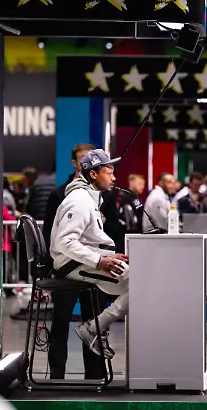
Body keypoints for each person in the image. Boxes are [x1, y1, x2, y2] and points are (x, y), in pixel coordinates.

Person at [50, 149, 129, 359]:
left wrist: (105, 255)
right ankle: (94, 329)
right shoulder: (79, 201)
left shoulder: (90, 198)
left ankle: (96, 328)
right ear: (93, 175)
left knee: (140, 284)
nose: (114, 177)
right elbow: (65, 242)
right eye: (109, 172)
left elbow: (85, 240)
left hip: (84, 261)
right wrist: (100, 260)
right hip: (72, 265)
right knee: (140, 285)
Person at [42, 142, 108, 379]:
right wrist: (45, 271)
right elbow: (50, 234)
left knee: (95, 322)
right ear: (75, 163)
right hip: (66, 269)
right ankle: (56, 375)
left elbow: (113, 229)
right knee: (60, 322)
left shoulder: (103, 192)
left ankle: (95, 374)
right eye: (82, 159)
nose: (88, 163)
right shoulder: (61, 194)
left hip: (94, 266)